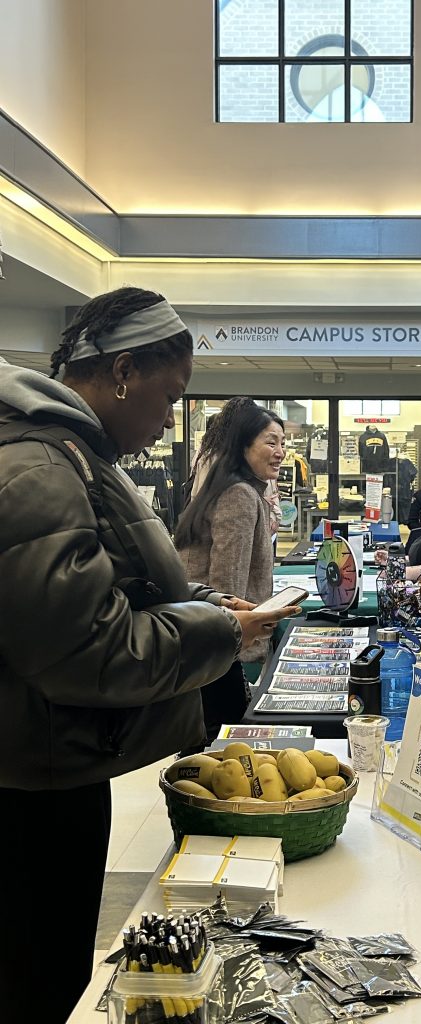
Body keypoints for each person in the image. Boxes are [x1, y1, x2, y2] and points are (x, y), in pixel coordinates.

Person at [0, 287, 298, 1024]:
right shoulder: (39, 464)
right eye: (169, 398)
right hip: (27, 786)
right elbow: (85, 646)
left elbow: (110, 585)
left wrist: (200, 602)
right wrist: (221, 633)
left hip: (51, 764)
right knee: (34, 981)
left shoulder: (69, 451)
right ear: (123, 371)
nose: (171, 419)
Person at [175, 400, 286, 740]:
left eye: (283, 443)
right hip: (215, 645)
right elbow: (228, 583)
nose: (281, 452)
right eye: (271, 441)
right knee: (224, 745)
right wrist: (240, 642)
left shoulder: (229, 487)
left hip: (201, 638)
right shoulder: (239, 494)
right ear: (243, 445)